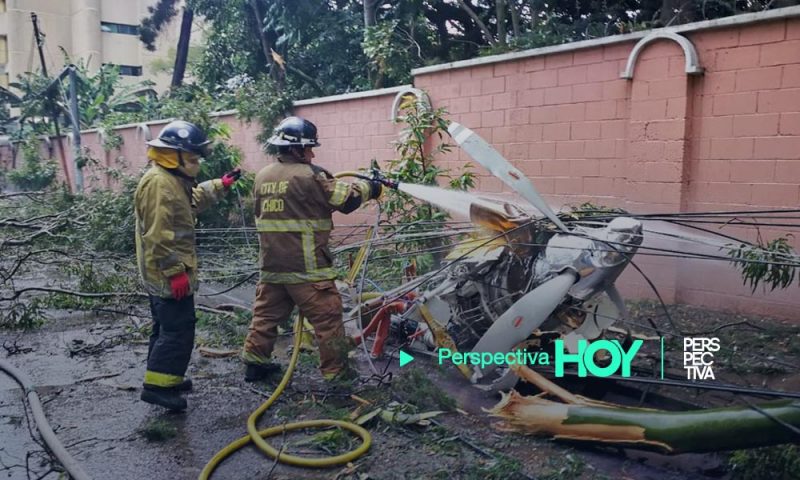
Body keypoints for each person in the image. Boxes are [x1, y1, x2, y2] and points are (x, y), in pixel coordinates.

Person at [241, 116, 383, 382]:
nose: (312, 153)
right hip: (308, 269)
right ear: (296, 149)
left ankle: (255, 364)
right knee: (328, 321)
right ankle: (336, 375)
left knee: (265, 317)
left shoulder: (262, 176)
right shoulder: (310, 176)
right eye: (309, 148)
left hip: (271, 267)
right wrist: (371, 187)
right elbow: (347, 200)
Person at [135, 120, 241, 411]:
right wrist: (175, 272)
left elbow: (192, 200)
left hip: (163, 272)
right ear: (175, 155)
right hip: (167, 273)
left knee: (165, 326)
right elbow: (157, 235)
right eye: (192, 158)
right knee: (178, 329)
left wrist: (222, 185)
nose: (196, 163)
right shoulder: (160, 184)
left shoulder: (171, 179)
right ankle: (158, 388)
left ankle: (165, 377)